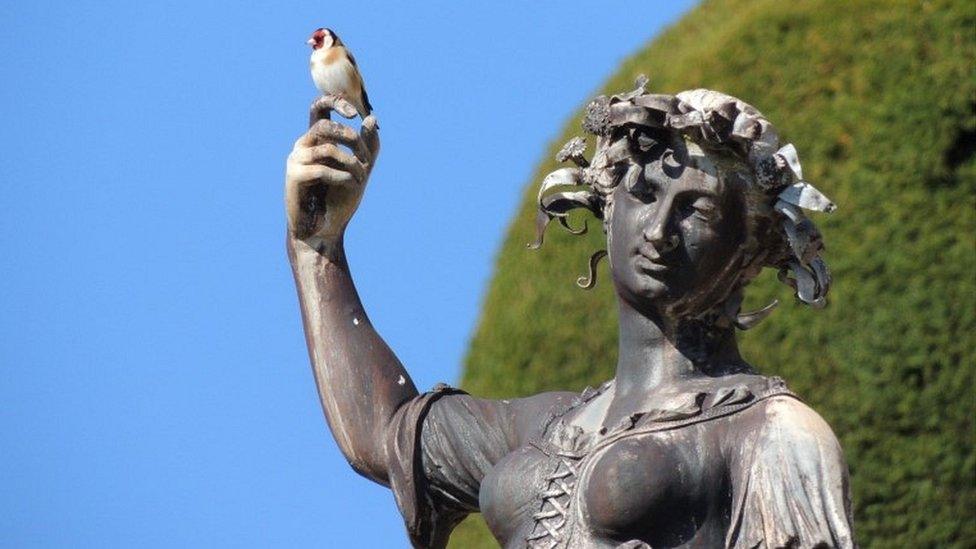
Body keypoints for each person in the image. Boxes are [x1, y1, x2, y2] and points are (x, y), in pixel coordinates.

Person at [283, 78, 855, 548]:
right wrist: (316, 248)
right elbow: (381, 433)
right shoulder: (544, 428)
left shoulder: (773, 433)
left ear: (747, 250)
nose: (658, 232)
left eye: (697, 212)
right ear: (607, 205)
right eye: (645, 194)